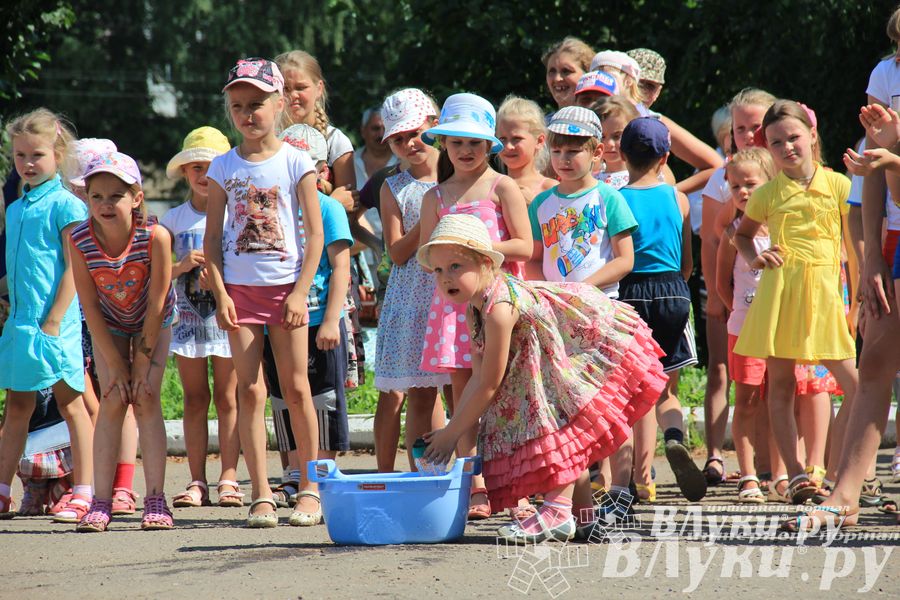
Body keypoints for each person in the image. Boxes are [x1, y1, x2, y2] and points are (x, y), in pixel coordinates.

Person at [420, 214, 666, 543]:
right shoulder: (474, 309)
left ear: (484, 264)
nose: (445, 277)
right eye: (438, 270)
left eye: (455, 266)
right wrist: (455, 427)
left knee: (558, 428)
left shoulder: (499, 308)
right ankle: (584, 515)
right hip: (542, 358)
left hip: (576, 347)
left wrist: (452, 433)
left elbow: (490, 384)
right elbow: (478, 377)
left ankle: (557, 511)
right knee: (557, 428)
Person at [204, 57, 323, 528]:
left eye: (256, 103)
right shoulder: (221, 166)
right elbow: (212, 239)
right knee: (249, 392)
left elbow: (314, 234)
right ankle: (260, 493)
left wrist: (300, 292)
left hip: (286, 293)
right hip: (239, 292)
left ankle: (310, 489)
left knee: (297, 389)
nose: (247, 114)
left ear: (279, 104)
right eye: (238, 106)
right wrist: (220, 294)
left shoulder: (297, 161)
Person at [733, 100, 858, 507]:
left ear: (812, 136)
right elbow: (743, 235)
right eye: (776, 142)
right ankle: (796, 475)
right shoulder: (767, 193)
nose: (787, 147)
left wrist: (856, 301)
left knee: (856, 386)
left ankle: (839, 472)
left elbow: (855, 247)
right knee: (782, 386)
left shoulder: (840, 184)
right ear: (767, 148)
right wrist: (754, 257)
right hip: (781, 295)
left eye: (793, 137)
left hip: (826, 296)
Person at [418, 92, 532, 519]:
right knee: (463, 391)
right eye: (456, 142)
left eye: (475, 143)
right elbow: (428, 254)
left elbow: (524, 244)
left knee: (504, 390)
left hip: (498, 303)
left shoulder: (503, 187)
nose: (465, 151)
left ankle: (514, 483)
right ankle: (476, 482)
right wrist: (453, 262)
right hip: (451, 308)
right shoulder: (435, 197)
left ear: (490, 147)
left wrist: (477, 249)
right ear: (443, 145)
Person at [527, 106, 639, 514]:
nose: (565, 158)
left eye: (576, 149)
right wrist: (547, 293)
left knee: (609, 403)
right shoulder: (541, 204)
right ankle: (580, 497)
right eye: (558, 149)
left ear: (596, 152)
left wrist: (581, 289)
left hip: (601, 310)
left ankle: (622, 489)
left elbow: (625, 258)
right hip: (558, 316)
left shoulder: (609, 197)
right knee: (566, 405)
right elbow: (535, 259)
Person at [70, 152, 176, 532]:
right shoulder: (79, 239)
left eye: (115, 195)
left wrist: (141, 364)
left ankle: (156, 499)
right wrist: (116, 364)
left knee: (146, 395)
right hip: (109, 324)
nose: (104, 204)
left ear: (136, 198)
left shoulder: (155, 236)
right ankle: (101, 501)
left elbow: (158, 302)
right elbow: (88, 305)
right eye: (96, 196)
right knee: (113, 397)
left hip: (154, 321)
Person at [0, 108, 94, 522]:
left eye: (37, 154)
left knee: (72, 404)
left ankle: (86, 490)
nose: (28, 164)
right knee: (16, 407)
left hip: (55, 324)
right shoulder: (16, 208)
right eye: (20, 156)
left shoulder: (66, 205)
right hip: (21, 326)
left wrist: (55, 317)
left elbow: (76, 266)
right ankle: (2, 490)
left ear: (57, 153)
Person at [263, 123, 353, 524]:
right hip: (278, 322)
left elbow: (340, 268)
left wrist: (333, 318)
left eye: (307, 167)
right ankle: (293, 471)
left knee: (324, 400)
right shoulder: (274, 208)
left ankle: (321, 473)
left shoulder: (329, 208)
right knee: (283, 397)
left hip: (320, 320)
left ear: (322, 170)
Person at [618, 117, 706, 502]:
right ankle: (673, 436)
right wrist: (679, 282)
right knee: (666, 387)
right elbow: (688, 260)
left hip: (630, 289)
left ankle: (625, 478)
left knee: (629, 390)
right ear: (665, 157)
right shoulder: (678, 198)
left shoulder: (614, 198)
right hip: (672, 288)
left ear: (622, 155)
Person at [161, 127, 241, 509]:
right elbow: (155, 273)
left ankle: (229, 476)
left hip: (227, 319)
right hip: (188, 324)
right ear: (184, 172)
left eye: (210, 166)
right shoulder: (173, 219)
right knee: (195, 400)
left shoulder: (235, 216)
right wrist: (180, 267)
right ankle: (197, 480)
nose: (203, 174)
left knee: (229, 398)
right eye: (195, 167)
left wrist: (220, 274)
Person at [700, 87, 776, 486]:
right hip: (737, 304)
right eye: (740, 128)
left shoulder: (782, 175)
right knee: (724, 375)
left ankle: (774, 469)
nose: (748, 135)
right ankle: (721, 457)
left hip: (779, 317)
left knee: (778, 392)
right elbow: (715, 237)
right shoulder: (724, 179)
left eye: (757, 126)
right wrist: (720, 297)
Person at [372, 89, 450, 470]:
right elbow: (397, 252)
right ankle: (426, 474)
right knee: (421, 394)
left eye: (416, 132)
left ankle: (476, 482)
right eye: (399, 138)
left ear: (435, 126)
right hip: (415, 298)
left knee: (461, 391)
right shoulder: (393, 187)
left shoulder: (461, 172)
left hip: (455, 294)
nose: (409, 143)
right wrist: (429, 216)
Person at [714, 148, 776, 504]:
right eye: (735, 185)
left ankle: (778, 473)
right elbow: (723, 284)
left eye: (750, 183)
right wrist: (737, 312)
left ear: (769, 183)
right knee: (748, 401)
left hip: (780, 329)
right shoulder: (733, 233)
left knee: (779, 398)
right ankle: (749, 475)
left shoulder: (782, 228)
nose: (742, 192)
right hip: (744, 330)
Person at [592, 50, 722, 195]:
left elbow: (715, 165)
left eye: (651, 86)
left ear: (659, 91)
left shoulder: (654, 124)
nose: (643, 92)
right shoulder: (587, 116)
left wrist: (669, 194)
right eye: (640, 83)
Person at [275, 50, 355, 192]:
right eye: (285, 88)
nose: (293, 95)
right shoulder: (270, 140)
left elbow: (349, 205)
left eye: (301, 88)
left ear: (319, 89)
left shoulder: (335, 141)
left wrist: (334, 203)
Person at [496, 96, 556, 205]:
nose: (508, 146)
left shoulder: (550, 189)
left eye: (516, 139)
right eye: (502, 139)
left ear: (539, 141)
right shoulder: (493, 187)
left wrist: (534, 205)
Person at [591, 95, 641, 189]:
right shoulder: (590, 180)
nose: (609, 143)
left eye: (617, 136)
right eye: (602, 136)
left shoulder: (641, 179)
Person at [542, 37, 595, 112]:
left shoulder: (603, 121)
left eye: (566, 71)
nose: (557, 78)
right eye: (552, 71)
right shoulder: (542, 123)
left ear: (588, 73)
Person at [354, 106, 399, 191]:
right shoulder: (349, 162)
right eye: (376, 128)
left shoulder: (404, 163)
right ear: (363, 131)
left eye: (386, 129)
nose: (381, 135)